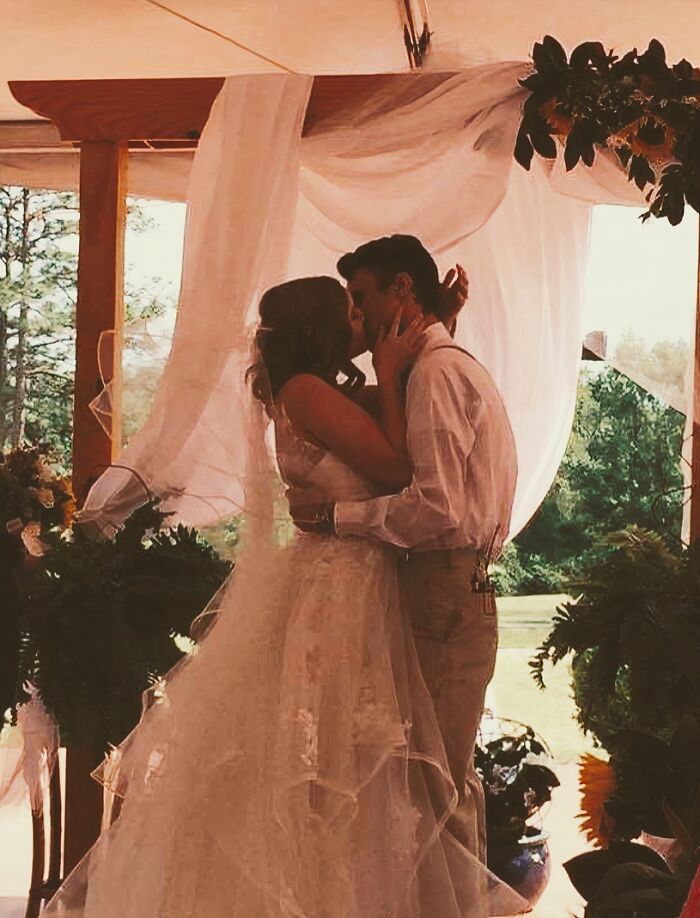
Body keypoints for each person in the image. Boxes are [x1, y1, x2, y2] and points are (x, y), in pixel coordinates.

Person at [43, 275, 523, 918]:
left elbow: (407, 413)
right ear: (325, 327)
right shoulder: (305, 391)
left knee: (353, 759)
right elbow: (395, 465)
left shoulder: (319, 390)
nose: (361, 319)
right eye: (351, 310)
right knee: (331, 756)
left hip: (353, 578)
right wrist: (386, 363)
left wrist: (427, 341)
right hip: (341, 582)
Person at [290, 235, 518, 864]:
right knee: (435, 778)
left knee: (434, 784)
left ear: (402, 291)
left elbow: (436, 506)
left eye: (361, 297)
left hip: (441, 584)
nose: (354, 317)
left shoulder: (437, 374)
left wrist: (338, 516)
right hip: (447, 585)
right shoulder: (440, 364)